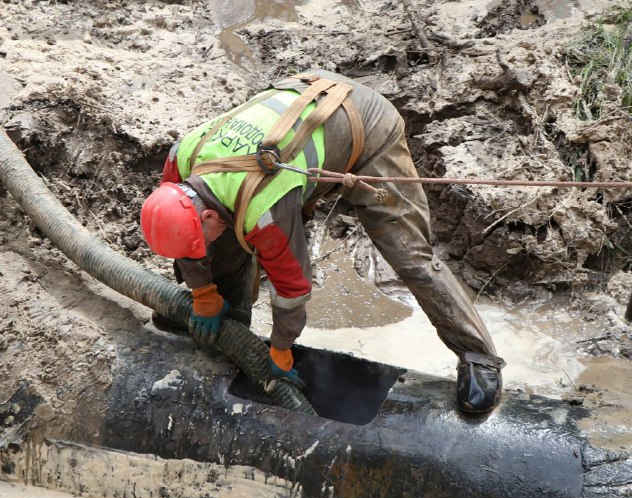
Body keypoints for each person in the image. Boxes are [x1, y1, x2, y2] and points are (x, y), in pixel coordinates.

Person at [140, 69, 505, 413]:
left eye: (200, 236)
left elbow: (292, 288)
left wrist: (281, 351)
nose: (197, 251)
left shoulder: (265, 211)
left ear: (204, 214)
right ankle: (232, 322)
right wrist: (203, 295)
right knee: (223, 238)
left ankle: (479, 356)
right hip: (299, 119)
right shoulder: (181, 159)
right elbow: (189, 244)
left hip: (365, 123)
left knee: (409, 253)